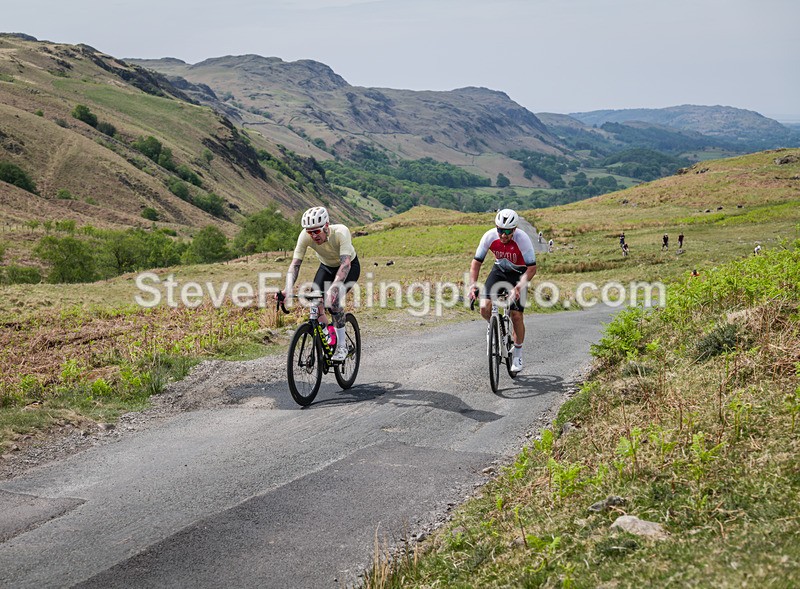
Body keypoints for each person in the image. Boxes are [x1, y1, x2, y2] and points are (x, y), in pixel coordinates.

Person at [278, 206, 360, 362]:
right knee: (315, 301)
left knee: (333, 302)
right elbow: (295, 264)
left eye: (316, 231)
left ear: (326, 226)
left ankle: (342, 346)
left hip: (349, 267)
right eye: (310, 232)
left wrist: (334, 288)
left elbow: (345, 264)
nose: (313, 235)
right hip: (327, 267)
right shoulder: (305, 236)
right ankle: (328, 334)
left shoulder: (341, 232)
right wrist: (287, 289)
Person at [468, 209, 537, 374]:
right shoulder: (489, 236)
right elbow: (476, 263)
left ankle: (518, 353)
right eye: (500, 230)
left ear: (514, 229)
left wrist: (518, 287)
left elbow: (532, 268)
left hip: (519, 274)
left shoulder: (523, 240)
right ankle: (493, 325)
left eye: (507, 231)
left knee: (516, 315)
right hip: (499, 271)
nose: (503, 235)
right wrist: (472, 285)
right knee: (484, 307)